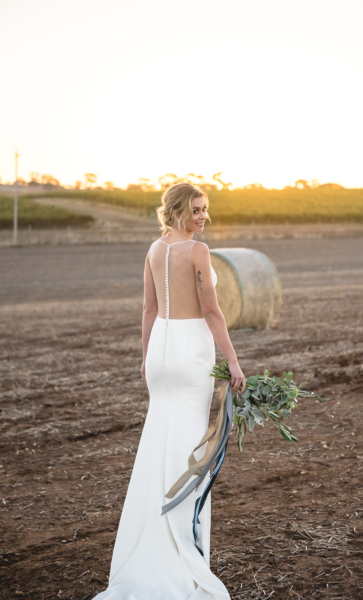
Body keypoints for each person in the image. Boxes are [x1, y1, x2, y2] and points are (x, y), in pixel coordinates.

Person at [92, 183, 246, 600]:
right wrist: (232, 360)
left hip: (160, 351)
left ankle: (148, 544)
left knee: (160, 440)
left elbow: (148, 309)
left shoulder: (154, 250)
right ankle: (179, 553)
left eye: (205, 209)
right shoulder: (197, 252)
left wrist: (145, 358)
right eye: (197, 210)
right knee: (187, 446)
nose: (204, 217)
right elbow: (212, 310)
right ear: (178, 210)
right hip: (189, 350)